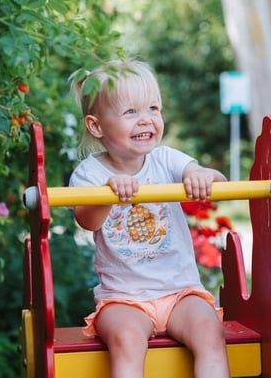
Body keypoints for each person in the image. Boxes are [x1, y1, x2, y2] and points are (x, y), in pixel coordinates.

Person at [68, 58, 230, 378]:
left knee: (210, 331)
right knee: (127, 340)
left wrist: (200, 174)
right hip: (123, 299)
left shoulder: (167, 159)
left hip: (181, 292)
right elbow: (87, 220)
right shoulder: (90, 173)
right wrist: (108, 193)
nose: (146, 120)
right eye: (131, 112)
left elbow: (220, 183)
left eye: (153, 109)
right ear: (96, 126)